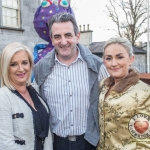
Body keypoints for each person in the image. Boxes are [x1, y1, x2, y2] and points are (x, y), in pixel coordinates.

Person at [34, 12, 109, 150]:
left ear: (77, 36)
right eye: (57, 37)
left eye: (68, 35)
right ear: (51, 39)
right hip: (55, 143)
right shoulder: (40, 69)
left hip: (89, 143)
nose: (63, 42)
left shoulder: (98, 66)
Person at [97, 37, 150, 149]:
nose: (114, 63)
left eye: (119, 57)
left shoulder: (143, 93)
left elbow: (145, 141)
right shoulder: (103, 85)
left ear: (131, 59)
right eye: (109, 58)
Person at [0, 43, 53, 150]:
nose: (21, 69)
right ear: (6, 67)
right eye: (14, 64)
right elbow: (5, 145)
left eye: (24, 63)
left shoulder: (35, 90)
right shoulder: (3, 97)